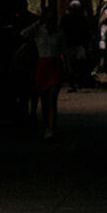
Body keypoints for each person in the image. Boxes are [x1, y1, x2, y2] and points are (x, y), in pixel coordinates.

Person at [20, 10, 67, 139]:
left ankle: (50, 127)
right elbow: (23, 34)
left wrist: (68, 66)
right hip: (43, 64)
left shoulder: (59, 33)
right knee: (45, 99)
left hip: (54, 64)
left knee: (52, 97)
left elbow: (64, 50)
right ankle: (49, 124)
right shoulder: (39, 31)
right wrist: (38, 23)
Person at [59, 0, 97, 91]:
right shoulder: (79, 19)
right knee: (74, 65)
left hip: (75, 45)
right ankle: (75, 82)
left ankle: (76, 82)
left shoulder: (71, 19)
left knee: (76, 65)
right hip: (73, 45)